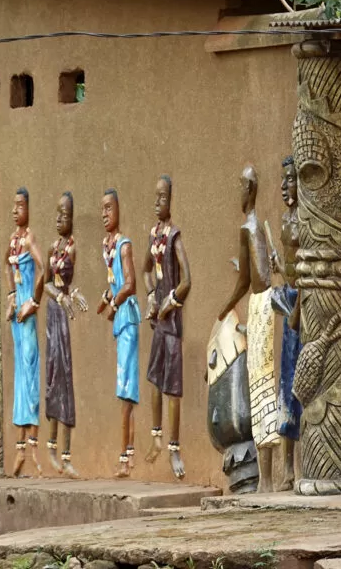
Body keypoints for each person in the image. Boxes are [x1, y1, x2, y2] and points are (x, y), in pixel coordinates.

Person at [219, 165, 281, 493]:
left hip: (260, 305)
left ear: (249, 189)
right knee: (265, 385)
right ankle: (272, 478)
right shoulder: (256, 230)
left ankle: (267, 480)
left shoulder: (248, 228)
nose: (239, 192)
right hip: (265, 304)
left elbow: (250, 278)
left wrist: (224, 308)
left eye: (241, 186)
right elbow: (259, 269)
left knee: (260, 387)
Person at [143, 175, 192, 479]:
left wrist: (170, 300)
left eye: (162, 198)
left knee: (173, 387)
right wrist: (150, 295)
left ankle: (174, 448)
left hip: (171, 322)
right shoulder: (154, 236)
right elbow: (147, 270)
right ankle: (156, 438)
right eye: (156, 197)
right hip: (158, 322)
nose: (157, 202)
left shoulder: (174, 237)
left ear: (170, 201)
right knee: (155, 380)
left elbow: (187, 280)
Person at [96, 188, 141, 478]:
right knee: (123, 388)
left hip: (127, 320)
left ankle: (127, 455)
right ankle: (126, 453)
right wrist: (104, 301)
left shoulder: (124, 246)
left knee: (126, 390)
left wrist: (113, 303)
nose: (104, 214)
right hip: (119, 320)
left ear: (119, 211)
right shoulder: (108, 247)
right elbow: (116, 283)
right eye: (102, 209)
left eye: (109, 208)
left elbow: (130, 284)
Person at [43, 192, 88, 478]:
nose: (60, 218)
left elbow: (70, 285)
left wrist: (72, 294)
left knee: (65, 378)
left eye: (66, 214)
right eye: (58, 213)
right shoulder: (52, 247)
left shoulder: (72, 249)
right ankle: (50, 446)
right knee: (52, 377)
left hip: (64, 318)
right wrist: (59, 297)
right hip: (53, 313)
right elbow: (47, 284)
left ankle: (67, 452)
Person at [269, 155, 304, 491]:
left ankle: (305, 466)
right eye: (282, 179)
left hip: (304, 306)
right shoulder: (284, 219)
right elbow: (290, 266)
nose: (284, 185)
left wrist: (297, 311)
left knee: (304, 381)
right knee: (287, 384)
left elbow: (308, 267)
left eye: (289, 179)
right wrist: (278, 263)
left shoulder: (307, 221)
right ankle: (287, 468)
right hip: (289, 298)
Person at [6, 187, 44, 476]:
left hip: (27, 315)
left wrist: (32, 302)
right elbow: (10, 268)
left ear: (29, 209)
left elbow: (43, 270)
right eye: (14, 206)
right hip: (15, 316)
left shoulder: (30, 239)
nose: (15, 210)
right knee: (20, 375)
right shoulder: (13, 240)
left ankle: (33, 446)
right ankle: (20, 447)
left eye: (20, 205)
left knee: (31, 374)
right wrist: (11, 297)